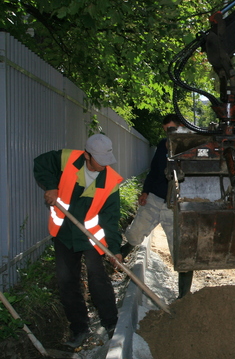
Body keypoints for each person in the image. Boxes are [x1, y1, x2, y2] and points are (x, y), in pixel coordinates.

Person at [33, 133, 123, 348]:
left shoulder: (111, 181)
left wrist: (115, 249)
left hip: (91, 236)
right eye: (99, 161)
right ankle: (79, 329)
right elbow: (41, 163)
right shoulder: (66, 159)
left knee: (98, 278)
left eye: (106, 161)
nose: (103, 166)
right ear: (87, 155)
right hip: (64, 232)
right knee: (67, 281)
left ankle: (111, 324)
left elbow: (111, 219)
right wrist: (50, 186)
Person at [123, 114, 193, 298]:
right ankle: (117, 262)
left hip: (175, 205)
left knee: (180, 250)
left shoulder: (191, 145)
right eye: (166, 131)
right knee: (135, 232)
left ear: (181, 127)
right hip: (155, 198)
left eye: (171, 130)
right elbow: (154, 170)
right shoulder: (163, 145)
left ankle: (184, 297)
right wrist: (145, 191)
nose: (168, 134)